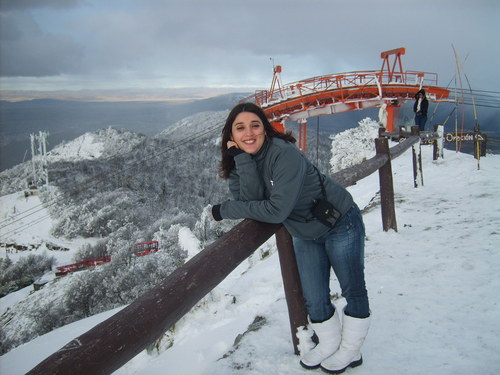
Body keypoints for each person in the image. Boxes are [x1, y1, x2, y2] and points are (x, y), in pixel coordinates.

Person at [211, 102, 370, 374]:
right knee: (314, 296)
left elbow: (274, 210)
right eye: (240, 128)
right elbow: (249, 202)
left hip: (340, 221)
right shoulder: (241, 158)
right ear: (231, 136)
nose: (248, 133)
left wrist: (223, 210)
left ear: (265, 128)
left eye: (255, 125)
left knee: (352, 289)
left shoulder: (283, 154)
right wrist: (242, 159)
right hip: (304, 231)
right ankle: (330, 343)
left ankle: (351, 349)